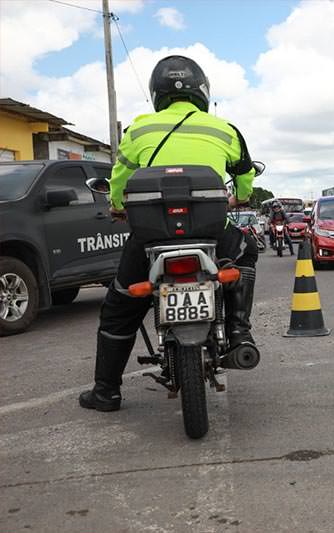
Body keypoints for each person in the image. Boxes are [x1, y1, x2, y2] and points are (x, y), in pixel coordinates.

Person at [79, 55, 260, 412]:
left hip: (150, 238)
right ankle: (239, 330)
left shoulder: (139, 129)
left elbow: (120, 179)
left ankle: (106, 392)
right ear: (202, 90)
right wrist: (239, 195)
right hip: (212, 231)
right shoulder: (224, 129)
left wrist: (118, 205)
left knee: (120, 307)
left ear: (157, 93)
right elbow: (244, 178)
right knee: (246, 250)